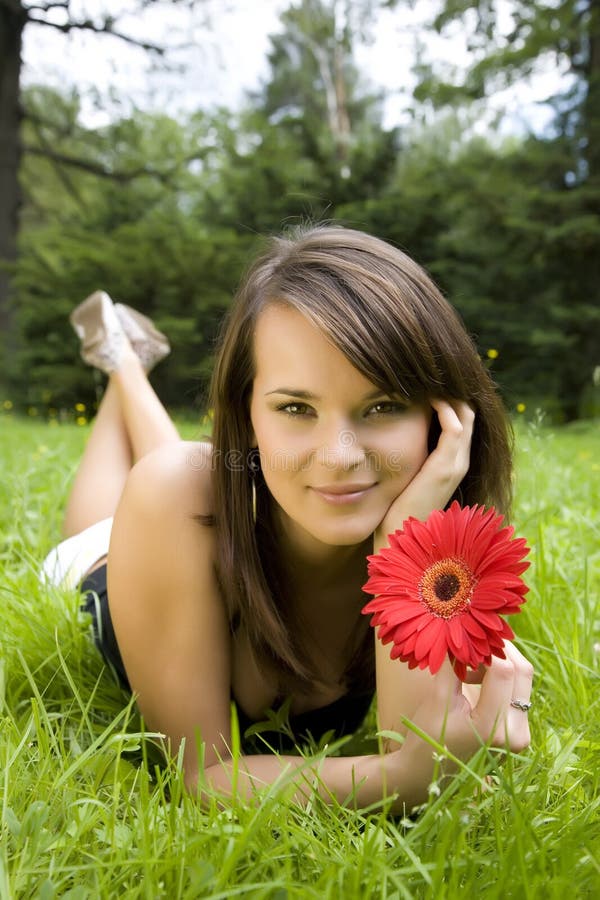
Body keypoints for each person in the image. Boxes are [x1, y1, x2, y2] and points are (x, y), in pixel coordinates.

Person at [41, 224, 533, 811]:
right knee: (169, 477)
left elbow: (408, 741)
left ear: (443, 416)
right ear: (245, 414)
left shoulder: (442, 539)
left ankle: (126, 357)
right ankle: (122, 361)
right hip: (108, 559)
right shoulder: (172, 496)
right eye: (296, 407)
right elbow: (202, 778)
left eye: (383, 405)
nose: (341, 456)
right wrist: (403, 779)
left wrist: (410, 531)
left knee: (187, 475)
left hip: (203, 505)